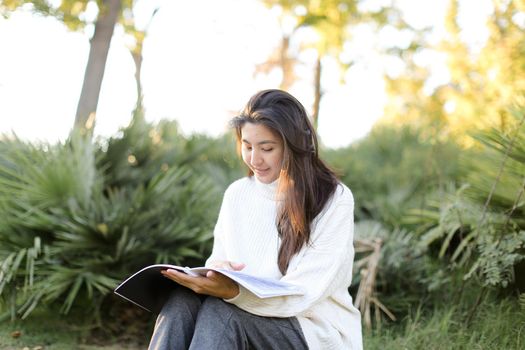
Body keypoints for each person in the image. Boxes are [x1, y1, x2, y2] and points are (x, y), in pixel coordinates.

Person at [148, 89, 363, 350]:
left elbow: (302, 295)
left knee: (221, 311)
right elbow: (219, 258)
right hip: (246, 314)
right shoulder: (237, 193)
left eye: (267, 148)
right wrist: (217, 272)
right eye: (247, 146)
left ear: (293, 147)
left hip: (313, 330)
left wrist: (233, 292)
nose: (254, 159)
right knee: (181, 301)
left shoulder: (333, 199)